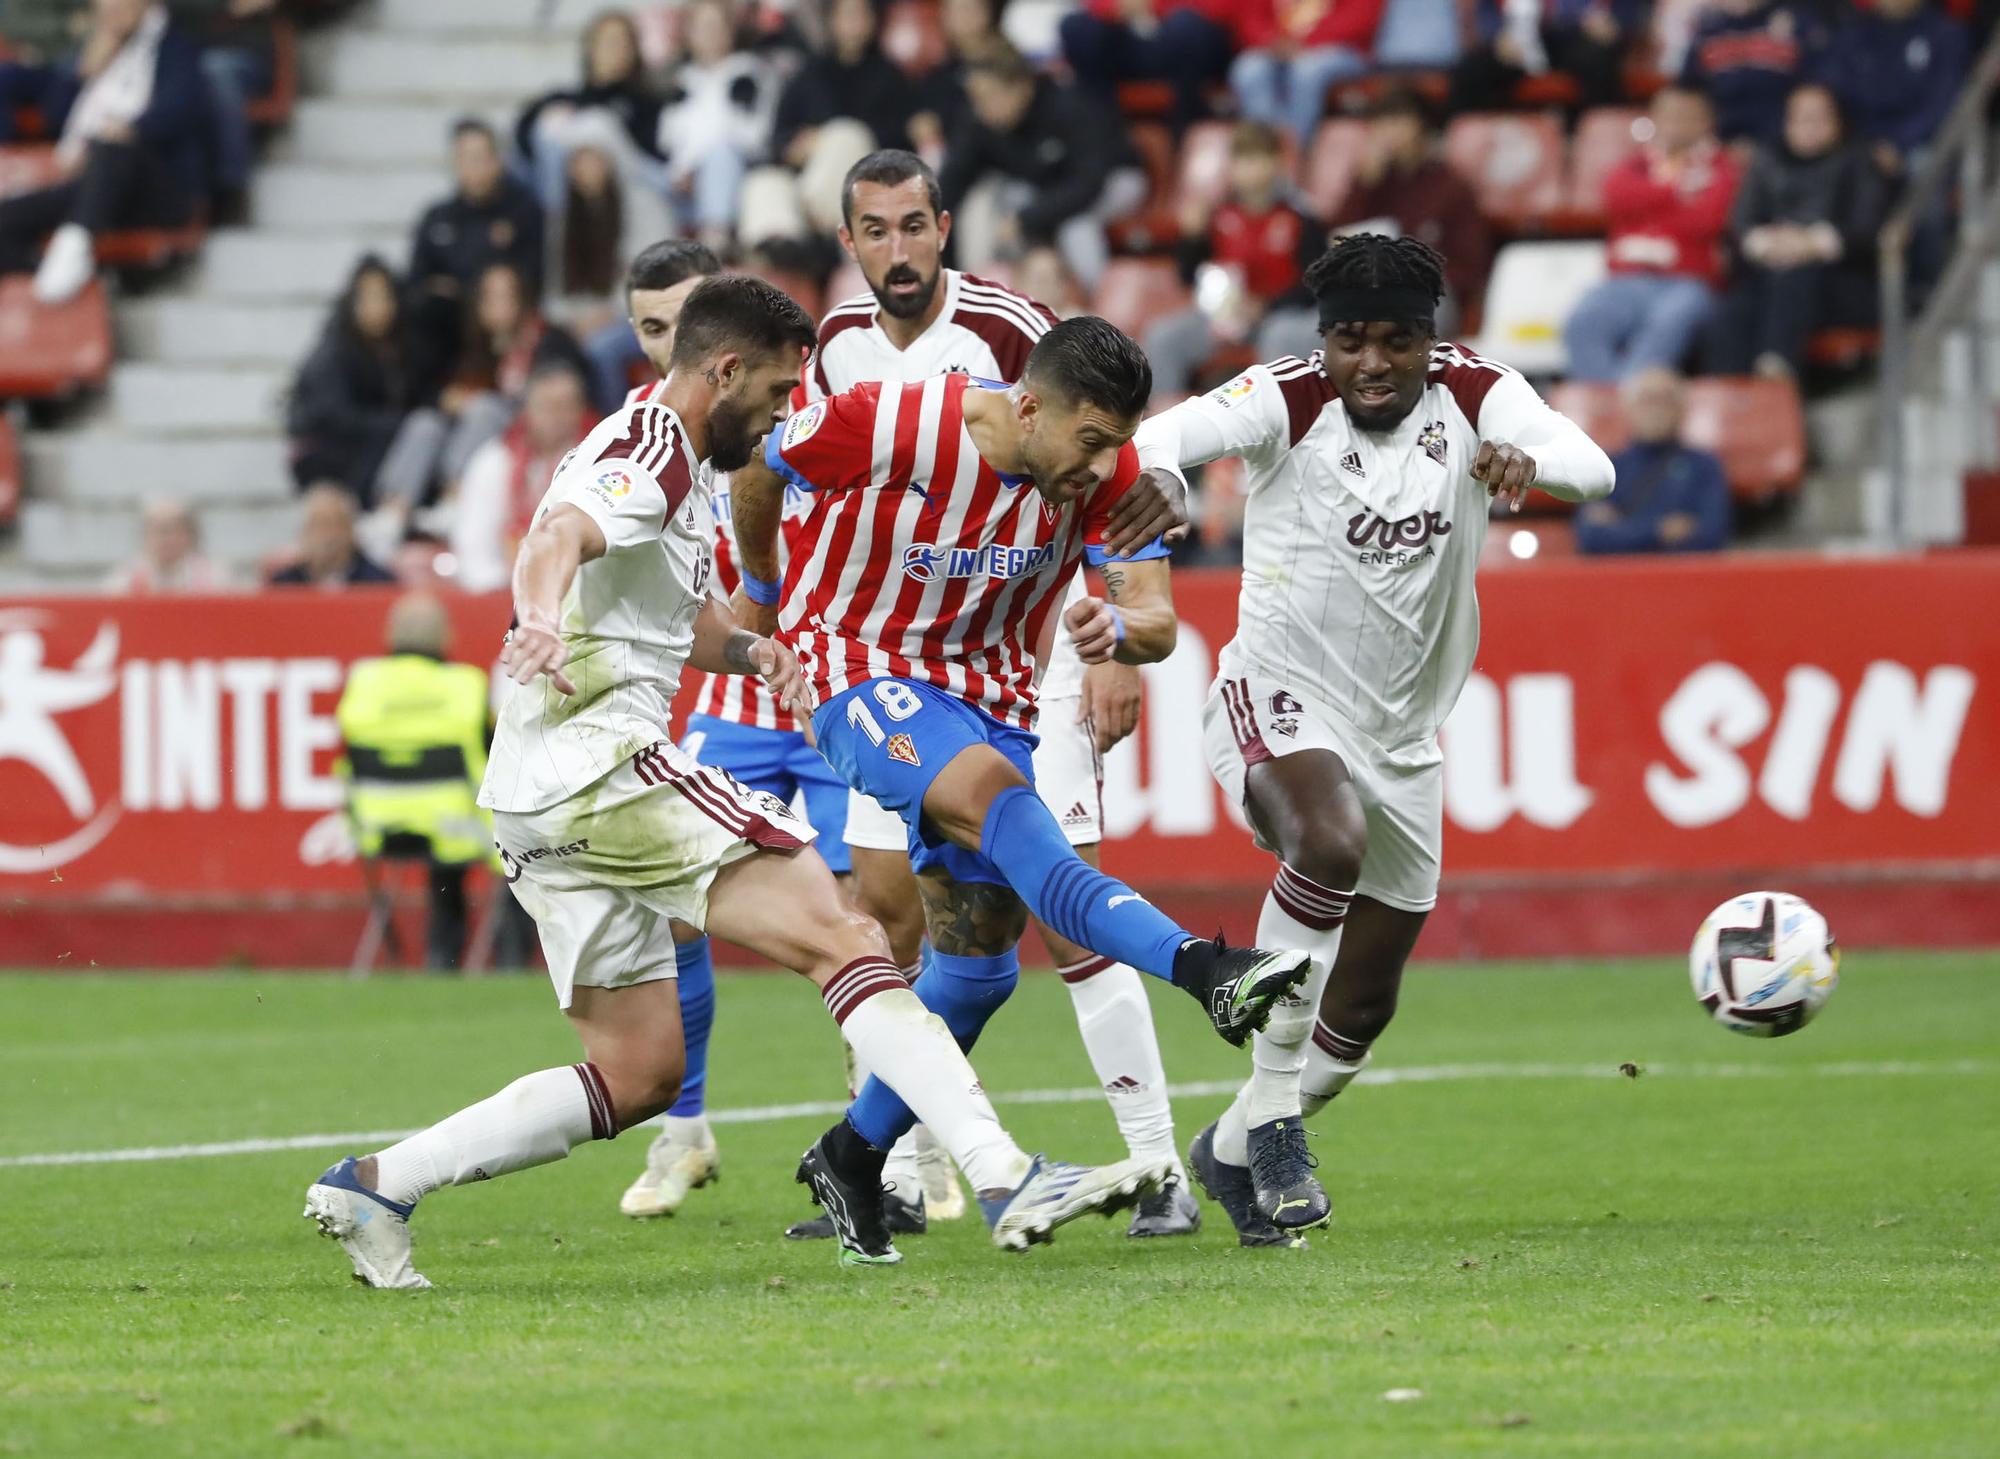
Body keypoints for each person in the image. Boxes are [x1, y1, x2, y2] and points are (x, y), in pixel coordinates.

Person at [303, 276, 1172, 1288]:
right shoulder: (655, 447)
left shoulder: (655, 450)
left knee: (638, 1074)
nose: (780, 416)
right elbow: (557, 541)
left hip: (534, 794)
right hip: (607, 767)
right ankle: (1004, 1173)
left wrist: (751, 650)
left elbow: (666, 616)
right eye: (771, 391)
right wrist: (536, 611)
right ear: (722, 372)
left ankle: (377, 1183)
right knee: (846, 934)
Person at [735, 313, 1315, 1266]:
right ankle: (1207, 971)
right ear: (1030, 405)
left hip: (987, 695)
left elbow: (1158, 619)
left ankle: (848, 1154)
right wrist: (766, 590)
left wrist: (1118, 635)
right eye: (1089, 441)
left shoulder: (1109, 475)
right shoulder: (893, 422)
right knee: (1011, 814)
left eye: (1117, 445)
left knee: (976, 972)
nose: (1101, 466)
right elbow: (764, 459)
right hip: (862, 674)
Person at [726, 149, 1206, 1241]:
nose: (897, 250)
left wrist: (1113, 647)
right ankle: (884, 1166)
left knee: (1070, 915)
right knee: (898, 924)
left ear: (945, 227)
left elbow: (1106, 455)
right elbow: (781, 470)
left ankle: (1156, 1165)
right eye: (874, 230)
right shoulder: (835, 343)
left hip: (1018, 662)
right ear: (847, 239)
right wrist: (775, 606)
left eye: (914, 226)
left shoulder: (1008, 334)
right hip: (879, 663)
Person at [1131, 235, 1614, 1244]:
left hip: (1402, 737)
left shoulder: (1478, 395)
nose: (1371, 363)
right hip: (1275, 691)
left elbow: (1592, 467)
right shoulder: (1286, 396)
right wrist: (1167, 485)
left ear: (1430, 344)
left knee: (1358, 1015)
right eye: (1350, 341)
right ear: (1325, 341)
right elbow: (1157, 438)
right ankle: (1269, 1124)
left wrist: (1530, 462)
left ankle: (1227, 1148)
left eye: (1395, 342)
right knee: (1328, 841)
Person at [0, 0, 209, 304]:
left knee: (110, 144)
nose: (110, 8)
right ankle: (83, 284)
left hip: (154, 187)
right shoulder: (96, 49)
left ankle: (76, 240)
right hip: (89, 182)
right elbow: (54, 118)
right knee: (6, 218)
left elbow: (178, 111)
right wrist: (83, 73)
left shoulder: (175, 46)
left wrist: (128, 129)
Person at [335, 592, 494, 971]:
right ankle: (495, 959)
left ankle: (436, 958)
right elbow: (494, 757)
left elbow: (348, 755)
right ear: (446, 636)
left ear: (390, 634)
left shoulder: (363, 682)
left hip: (376, 823)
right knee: (524, 843)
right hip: (457, 826)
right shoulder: (467, 685)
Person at [1564, 85, 1739, 382]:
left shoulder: (1722, 167)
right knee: (1583, 321)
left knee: (1669, 323)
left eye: (1686, 116)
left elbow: (1707, 220)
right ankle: (1607, 403)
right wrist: (1677, 192)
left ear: (1707, 121)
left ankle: (1628, 407)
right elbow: (1615, 195)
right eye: (1668, 115)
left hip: (1687, 282)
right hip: (1626, 280)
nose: (1676, 124)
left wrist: (1647, 207)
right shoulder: (1637, 163)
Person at [1709, 82, 1885, 378]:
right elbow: (1741, 224)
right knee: (1734, 310)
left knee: (1791, 280)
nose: (1809, 126)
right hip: (1770, 275)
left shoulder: (1860, 159)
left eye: (1819, 117)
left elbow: (1867, 229)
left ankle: (1775, 380)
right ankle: (1728, 393)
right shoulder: (1767, 158)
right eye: (1801, 117)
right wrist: (1768, 243)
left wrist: (1810, 244)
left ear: (1838, 120)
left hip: (1842, 285)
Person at [938, 45, 1147, 290]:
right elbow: (954, 176)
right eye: (975, 98)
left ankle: (1096, 306)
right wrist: (930, 217)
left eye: (988, 97)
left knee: (1075, 225)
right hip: (1045, 188)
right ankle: (990, 295)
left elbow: (1088, 182)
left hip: (1114, 181)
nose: (980, 107)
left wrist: (1029, 218)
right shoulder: (980, 120)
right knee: (997, 200)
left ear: (1021, 88)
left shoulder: (1070, 106)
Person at [1145, 120, 1327, 396]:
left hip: (1280, 316)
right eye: (1242, 159)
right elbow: (1188, 275)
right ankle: (1164, 424)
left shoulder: (1300, 217)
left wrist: (1266, 306)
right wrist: (1191, 239)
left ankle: (1281, 426)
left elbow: (1317, 284)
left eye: (1258, 158)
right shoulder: (1217, 216)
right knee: (1163, 337)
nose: (1249, 169)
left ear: (1277, 163)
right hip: (1225, 317)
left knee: (1280, 335)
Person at [743, 0, 915, 244]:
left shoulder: (889, 75)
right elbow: (778, 136)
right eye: (846, 14)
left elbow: (900, 139)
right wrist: (793, 147)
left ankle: (819, 228)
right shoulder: (809, 73)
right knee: (763, 181)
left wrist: (826, 139)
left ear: (873, 21)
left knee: (846, 134)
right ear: (832, 21)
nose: (853, 22)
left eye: (860, 14)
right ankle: (783, 249)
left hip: (863, 180)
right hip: (808, 174)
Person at [1326, 90, 1493, 334]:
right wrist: (1364, 185)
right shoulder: (1370, 182)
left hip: (1429, 292)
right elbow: (1339, 241)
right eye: (1380, 124)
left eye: (1398, 121)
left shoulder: (1450, 186)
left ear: (1421, 126)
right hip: (1366, 290)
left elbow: (1470, 264)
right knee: (1297, 329)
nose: (1389, 133)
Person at [405, 119, 545, 387]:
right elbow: (418, 283)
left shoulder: (524, 212)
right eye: (466, 158)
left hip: (509, 328)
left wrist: (463, 287)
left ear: (497, 160)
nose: (474, 166)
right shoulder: (437, 218)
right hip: (449, 333)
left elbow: (529, 278)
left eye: (481, 157)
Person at [449, 363, 595, 593]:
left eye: (567, 406)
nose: (559, 416)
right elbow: (473, 543)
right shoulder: (496, 461)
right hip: (505, 593)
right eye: (549, 406)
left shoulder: (597, 462)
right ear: (527, 410)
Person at [513, 10, 668, 227]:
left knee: (597, 125)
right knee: (548, 127)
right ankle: (562, 227)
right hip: (569, 196)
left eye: (622, 42)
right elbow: (523, 137)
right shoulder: (564, 98)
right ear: (590, 48)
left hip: (636, 193)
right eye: (607, 42)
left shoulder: (649, 104)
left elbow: (657, 164)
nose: (614, 50)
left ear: (635, 51)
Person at [287, 255, 419, 500]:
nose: (379, 306)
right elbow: (332, 416)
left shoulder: (397, 348)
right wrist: (396, 423)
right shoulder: (334, 350)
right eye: (369, 297)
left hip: (361, 444)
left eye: (385, 296)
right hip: (323, 450)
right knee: (393, 431)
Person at [655, 0, 775, 248]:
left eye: (716, 26)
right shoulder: (681, 81)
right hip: (683, 182)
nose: (709, 34)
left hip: (737, 173)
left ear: (730, 31)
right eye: (701, 27)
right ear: (688, 35)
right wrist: (685, 170)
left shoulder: (748, 73)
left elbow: (754, 135)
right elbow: (666, 137)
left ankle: (715, 241)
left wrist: (695, 164)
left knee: (721, 153)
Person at [1576, 367, 1729, 553]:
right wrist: (1659, 530)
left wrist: (1622, 528)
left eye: (1666, 400)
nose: (1657, 410)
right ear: (1629, 409)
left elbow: (1712, 534)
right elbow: (1590, 537)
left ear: (1682, 409)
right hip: (1619, 578)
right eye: (1648, 400)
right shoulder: (1606, 467)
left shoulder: (1705, 466)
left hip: (1682, 577)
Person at [1820, 0, 1967, 173]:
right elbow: (1836, 90)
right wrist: (1867, 144)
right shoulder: (1854, 32)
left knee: (1926, 164)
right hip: (1860, 142)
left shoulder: (1945, 34)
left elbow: (1942, 103)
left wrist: (1898, 143)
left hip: (1918, 143)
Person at [1058, 0, 1237, 135]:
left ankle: (1188, 133)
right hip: (1126, 41)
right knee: (1078, 27)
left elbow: (1215, 10)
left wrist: (1153, 6)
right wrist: (1118, 8)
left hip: (1184, 40)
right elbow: (1095, 7)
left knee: (1186, 26)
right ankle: (1099, 131)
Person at [1227, 0, 1386, 150]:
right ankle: (1264, 150)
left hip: (1341, 49)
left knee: (1307, 71)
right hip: (1278, 48)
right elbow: (1251, 18)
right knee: (1248, 68)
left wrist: (1306, 43)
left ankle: (1293, 153)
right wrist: (1270, 40)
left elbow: (1359, 19)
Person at [1450, 0, 1641, 114]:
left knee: (1599, 61)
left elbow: (1626, 11)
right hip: (1517, 42)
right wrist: (1498, 36)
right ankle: (1466, 146)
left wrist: (1617, 24)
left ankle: (1594, 142)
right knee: (1472, 69)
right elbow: (1487, 14)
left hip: (1575, 38)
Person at [1679, 0, 1824, 147]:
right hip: (1716, 144)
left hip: (1784, 147)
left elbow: (1814, 88)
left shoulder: (1797, 21)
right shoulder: (1706, 27)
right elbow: (1689, 92)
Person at [269, 484, 396, 587]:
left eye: (335, 525)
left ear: (351, 531)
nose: (327, 536)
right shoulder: (284, 584)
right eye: (318, 525)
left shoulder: (377, 583)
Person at [103, 495, 224, 593]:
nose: (167, 539)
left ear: (191, 535)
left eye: (174, 530)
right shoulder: (124, 581)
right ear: (145, 536)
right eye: (159, 530)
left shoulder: (216, 578)